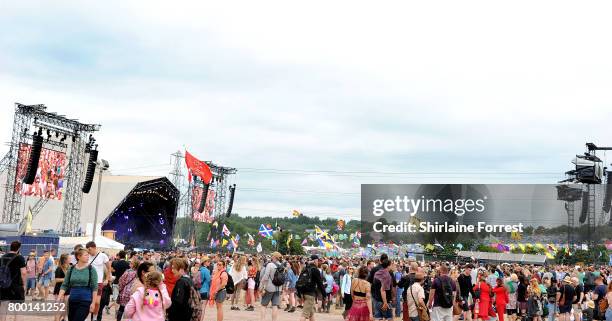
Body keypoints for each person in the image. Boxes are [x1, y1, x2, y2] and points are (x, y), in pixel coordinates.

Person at [58, 248, 98, 321]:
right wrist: (59, 296)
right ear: (79, 257)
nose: (88, 256)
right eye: (86, 255)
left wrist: (93, 303)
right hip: (72, 300)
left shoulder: (91, 269)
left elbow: (95, 287)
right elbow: (65, 284)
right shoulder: (72, 268)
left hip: (85, 301)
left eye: (88, 255)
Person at [86, 241, 111, 316]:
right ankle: (86, 316)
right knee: (87, 301)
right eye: (87, 250)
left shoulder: (103, 256)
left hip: (98, 282)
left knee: (97, 302)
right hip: (88, 281)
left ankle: (94, 317)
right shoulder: (87, 256)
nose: (89, 251)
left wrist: (107, 279)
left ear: (94, 248)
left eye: (90, 249)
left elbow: (109, 268)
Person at [297, 255, 325, 321]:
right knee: (304, 315)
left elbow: (299, 281)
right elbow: (320, 283)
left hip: (303, 293)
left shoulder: (305, 268)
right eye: (318, 261)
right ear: (315, 261)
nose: (318, 262)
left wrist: (299, 294)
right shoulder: (315, 270)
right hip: (310, 294)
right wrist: (324, 294)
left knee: (311, 313)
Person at [259, 252, 283, 321]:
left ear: (274, 257)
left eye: (272, 255)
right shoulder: (281, 265)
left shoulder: (270, 265)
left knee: (263, 305)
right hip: (278, 288)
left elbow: (265, 277)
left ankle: (262, 319)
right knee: (275, 306)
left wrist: (261, 286)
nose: (271, 256)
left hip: (269, 288)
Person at [54, 254, 70, 321]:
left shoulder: (69, 267)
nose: (70, 259)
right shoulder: (59, 268)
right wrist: (66, 279)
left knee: (65, 308)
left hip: (67, 290)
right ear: (65, 260)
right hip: (59, 290)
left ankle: (63, 319)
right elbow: (56, 280)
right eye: (69, 258)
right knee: (58, 308)